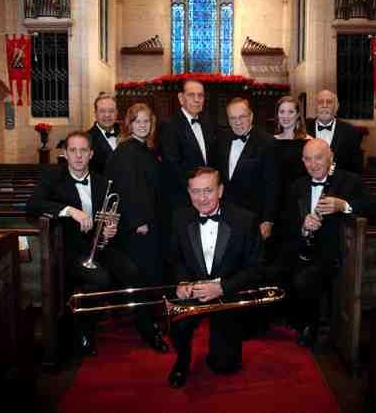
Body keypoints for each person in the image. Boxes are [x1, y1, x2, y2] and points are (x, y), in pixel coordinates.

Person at [26, 131, 139, 357]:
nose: (78, 156)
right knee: (101, 279)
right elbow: (33, 205)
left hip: (99, 246)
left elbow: (109, 215)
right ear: (65, 154)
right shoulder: (52, 177)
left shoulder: (101, 181)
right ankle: (83, 328)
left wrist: (110, 228)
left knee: (131, 270)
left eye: (83, 150)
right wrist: (70, 211)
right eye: (73, 150)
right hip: (70, 250)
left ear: (91, 154)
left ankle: (135, 325)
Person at [273, 138, 376, 349]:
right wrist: (303, 225)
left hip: (336, 253)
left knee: (306, 278)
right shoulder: (297, 185)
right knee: (275, 269)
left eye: (318, 158)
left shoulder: (349, 181)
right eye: (307, 159)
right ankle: (296, 321)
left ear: (331, 157)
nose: (313, 165)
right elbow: (285, 223)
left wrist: (344, 205)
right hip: (303, 249)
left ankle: (315, 328)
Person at [167, 167, 263, 388]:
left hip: (227, 291)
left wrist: (222, 288)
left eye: (208, 191)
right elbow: (176, 258)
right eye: (196, 191)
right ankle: (182, 361)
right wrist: (182, 282)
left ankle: (222, 350)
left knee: (224, 366)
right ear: (189, 192)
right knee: (179, 325)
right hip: (195, 288)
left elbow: (256, 268)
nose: (202, 198)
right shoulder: (179, 217)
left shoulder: (245, 220)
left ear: (220, 190)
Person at [105, 102, 168, 353]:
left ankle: (151, 321)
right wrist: (139, 222)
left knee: (151, 276)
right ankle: (147, 329)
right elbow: (127, 189)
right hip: (138, 228)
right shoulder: (126, 151)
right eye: (138, 121)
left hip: (151, 224)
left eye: (147, 121)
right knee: (143, 279)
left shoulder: (145, 149)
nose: (143, 125)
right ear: (128, 124)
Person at [217, 97, 277, 242]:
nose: (237, 122)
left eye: (241, 117)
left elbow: (273, 185)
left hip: (254, 217)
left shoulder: (268, 143)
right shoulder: (221, 140)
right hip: (225, 216)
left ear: (251, 116)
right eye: (232, 118)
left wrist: (268, 220)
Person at [158, 79, 217, 211]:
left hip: (207, 198)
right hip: (183, 199)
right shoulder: (169, 126)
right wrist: (198, 190)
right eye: (191, 95)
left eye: (200, 95)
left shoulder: (208, 123)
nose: (197, 99)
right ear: (181, 98)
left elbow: (212, 160)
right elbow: (173, 167)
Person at [270, 96, 312, 259]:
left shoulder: (309, 142)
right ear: (277, 115)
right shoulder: (270, 142)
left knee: (297, 251)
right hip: (276, 202)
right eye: (282, 111)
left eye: (290, 111)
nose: (285, 116)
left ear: (297, 115)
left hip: (300, 202)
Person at [306, 89, 363, 173]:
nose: (324, 105)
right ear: (315, 106)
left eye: (329, 102)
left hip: (340, 184)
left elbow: (355, 168)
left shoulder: (351, 132)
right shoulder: (303, 130)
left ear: (336, 107)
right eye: (320, 102)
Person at [87, 92, 120, 175]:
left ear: (116, 113)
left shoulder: (125, 135)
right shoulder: (87, 139)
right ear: (95, 114)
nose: (107, 115)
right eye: (102, 111)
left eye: (111, 111)